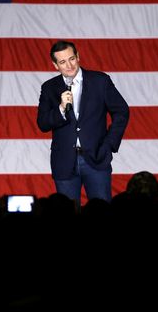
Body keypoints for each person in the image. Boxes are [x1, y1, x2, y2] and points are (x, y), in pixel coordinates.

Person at [37, 40, 130, 208]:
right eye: (62, 62)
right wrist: (61, 108)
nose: (69, 65)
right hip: (64, 162)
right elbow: (43, 123)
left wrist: (109, 144)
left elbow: (122, 111)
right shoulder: (49, 88)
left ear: (78, 56)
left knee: (102, 214)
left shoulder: (100, 81)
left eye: (72, 59)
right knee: (67, 217)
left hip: (96, 158)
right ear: (55, 65)